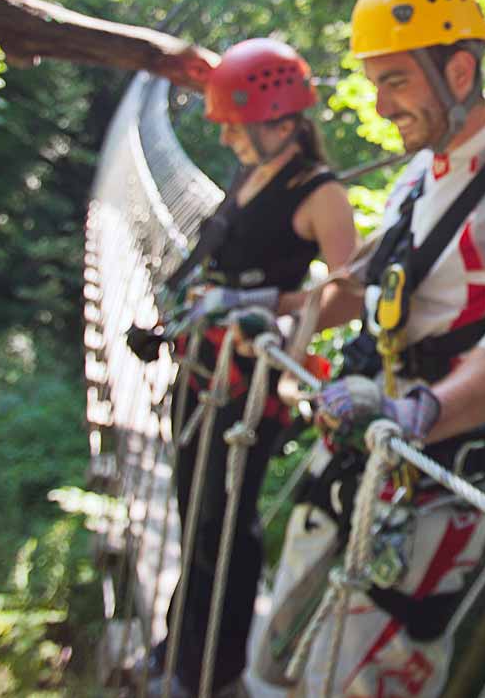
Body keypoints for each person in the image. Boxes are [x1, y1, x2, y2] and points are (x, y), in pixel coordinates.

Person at [259, 0, 485, 698]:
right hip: (352, 445)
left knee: (367, 673)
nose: (380, 106)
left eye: (395, 82)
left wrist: (421, 414)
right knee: (277, 649)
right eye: (375, 83)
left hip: (432, 481)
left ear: (460, 69)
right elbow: (366, 288)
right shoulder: (417, 178)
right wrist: (278, 309)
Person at [136, 37, 356, 698]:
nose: (228, 138)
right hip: (199, 370)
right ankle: (178, 642)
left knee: (223, 524)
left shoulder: (319, 192)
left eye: (237, 126)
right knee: (191, 511)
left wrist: (266, 302)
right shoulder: (248, 173)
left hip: (249, 384)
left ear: (283, 124)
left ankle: (212, 668)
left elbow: (347, 295)